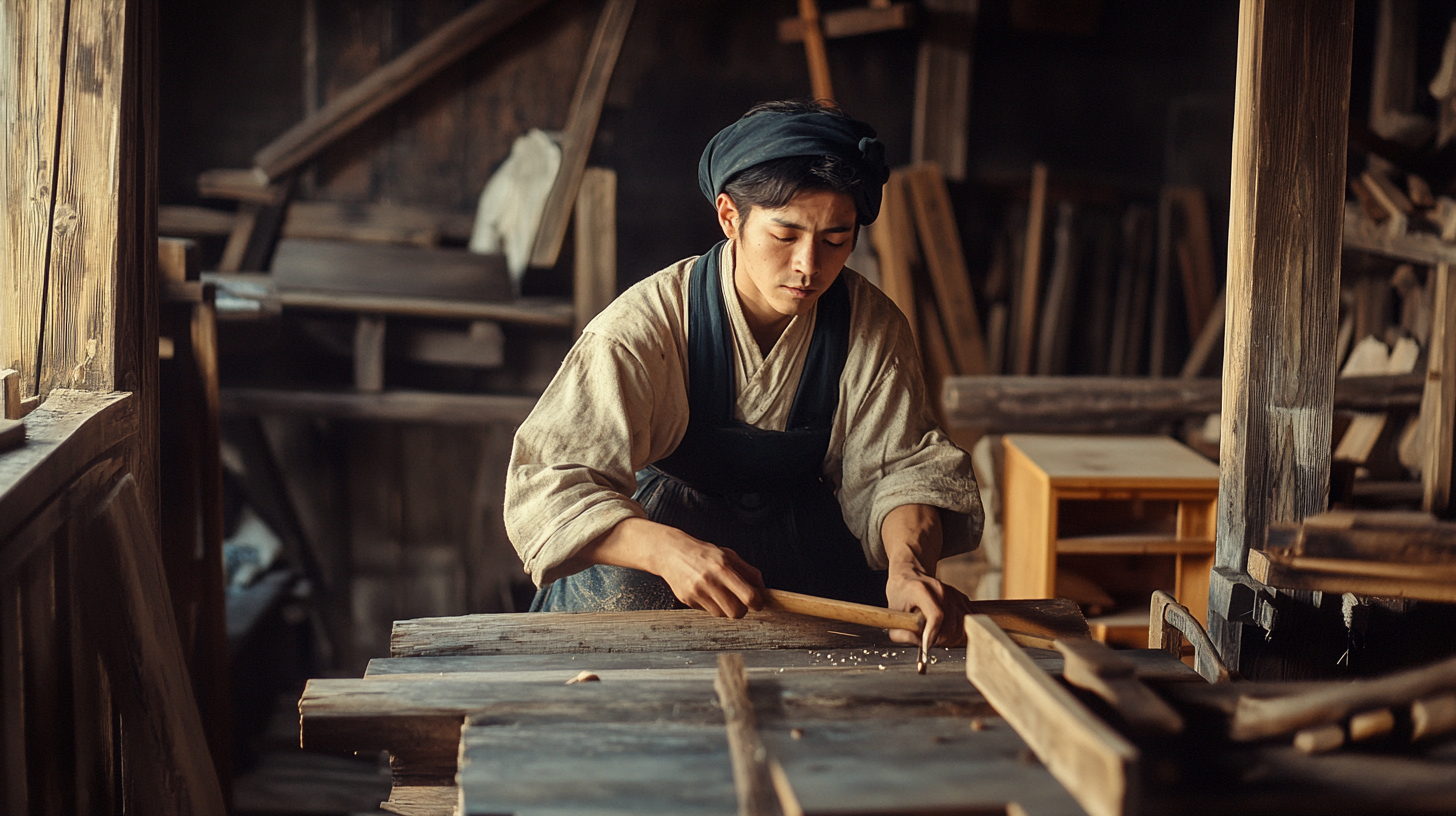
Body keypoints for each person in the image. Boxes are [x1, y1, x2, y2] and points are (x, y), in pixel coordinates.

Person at [504, 100, 983, 646]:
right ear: (730, 217)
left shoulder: (871, 325)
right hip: (662, 550)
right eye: (785, 236)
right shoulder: (644, 326)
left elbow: (899, 468)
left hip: (807, 542)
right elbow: (549, 482)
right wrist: (669, 551)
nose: (810, 265)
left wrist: (907, 568)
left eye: (835, 240)